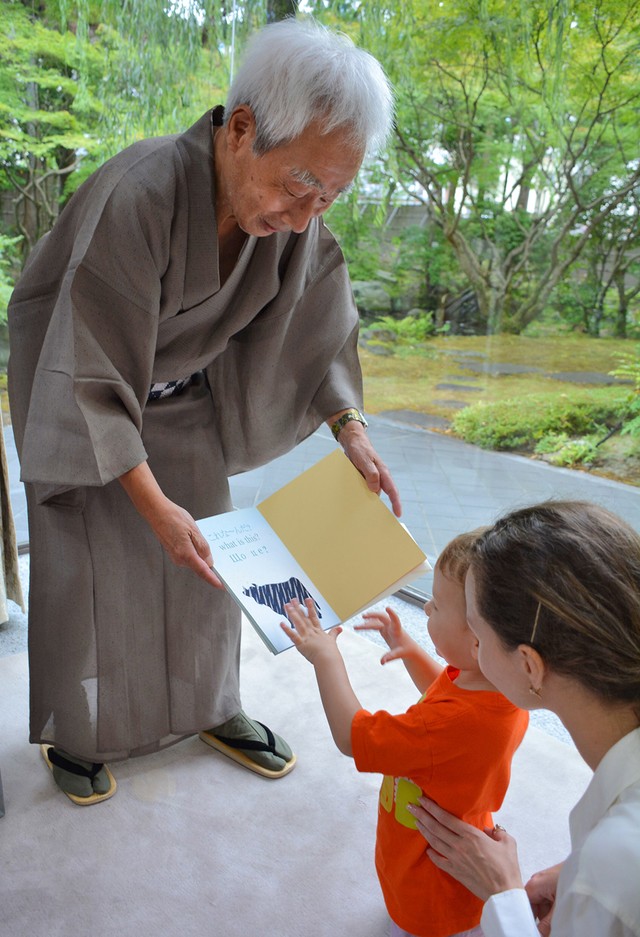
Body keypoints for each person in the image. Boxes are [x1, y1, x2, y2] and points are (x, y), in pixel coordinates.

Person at [7, 17, 401, 805]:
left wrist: (349, 430)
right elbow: (86, 364)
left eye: (332, 193)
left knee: (209, 569)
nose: (307, 213)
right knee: (92, 574)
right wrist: (151, 506)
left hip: (185, 400)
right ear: (242, 128)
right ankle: (80, 732)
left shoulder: (296, 221)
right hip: (84, 397)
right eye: (299, 184)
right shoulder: (141, 192)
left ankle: (214, 707)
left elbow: (319, 329)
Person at [408, 501, 640, 937]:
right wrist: (577, 876)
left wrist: (504, 896)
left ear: (529, 665)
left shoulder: (615, 867)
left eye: (477, 633)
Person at [281, 529, 529, 937]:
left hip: (431, 881)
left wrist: (326, 658)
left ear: (479, 641)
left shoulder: (446, 727)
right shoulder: (502, 688)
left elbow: (352, 735)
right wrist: (413, 651)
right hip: (449, 849)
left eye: (438, 605)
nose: (427, 606)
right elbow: (447, 694)